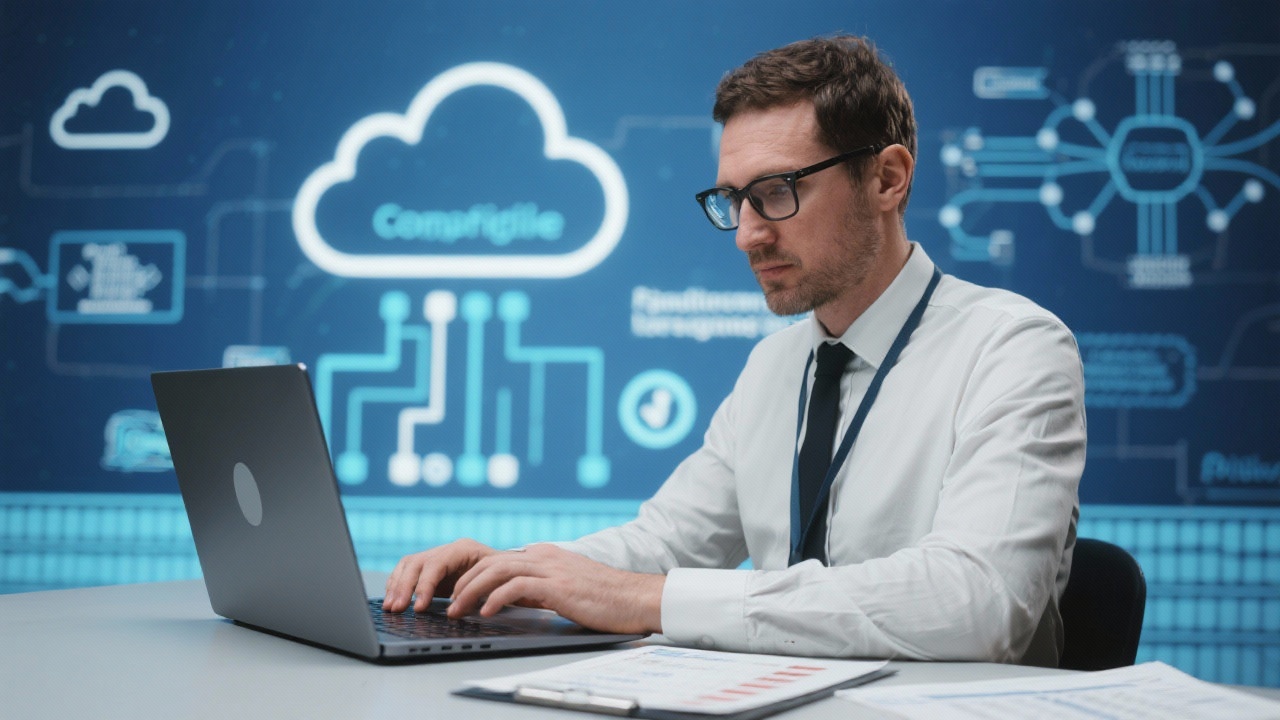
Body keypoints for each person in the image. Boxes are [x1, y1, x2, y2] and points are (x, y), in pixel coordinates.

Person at [383, 34, 1085, 666]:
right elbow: (664, 545)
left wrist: (655, 602)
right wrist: (521, 571)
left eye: (776, 192)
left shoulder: (1014, 348)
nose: (748, 233)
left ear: (887, 179)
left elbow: (979, 604)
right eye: (733, 201)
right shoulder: (775, 366)